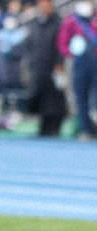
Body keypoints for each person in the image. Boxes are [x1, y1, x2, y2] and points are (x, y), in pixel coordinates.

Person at [25, 0, 67, 137]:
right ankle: (43, 127)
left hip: (54, 67)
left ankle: (55, 127)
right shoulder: (34, 23)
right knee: (40, 97)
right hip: (38, 67)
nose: (43, 6)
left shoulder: (58, 23)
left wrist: (59, 64)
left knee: (55, 98)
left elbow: (61, 45)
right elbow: (30, 45)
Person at [58, 0, 97, 140]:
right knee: (81, 97)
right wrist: (72, 51)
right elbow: (62, 43)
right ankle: (85, 129)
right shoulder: (71, 21)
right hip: (80, 63)